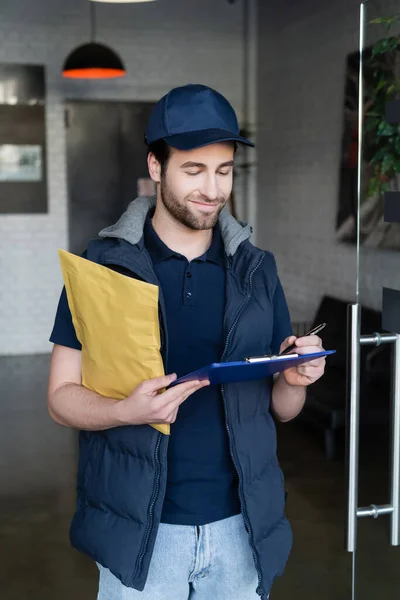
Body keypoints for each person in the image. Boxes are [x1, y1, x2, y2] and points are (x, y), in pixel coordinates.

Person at [48, 84, 326, 600]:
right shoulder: (102, 268)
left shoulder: (256, 270)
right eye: (193, 170)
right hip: (142, 534)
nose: (213, 189)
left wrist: (295, 378)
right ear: (156, 167)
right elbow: (61, 398)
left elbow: (284, 409)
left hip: (241, 529)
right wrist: (124, 411)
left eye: (224, 171)